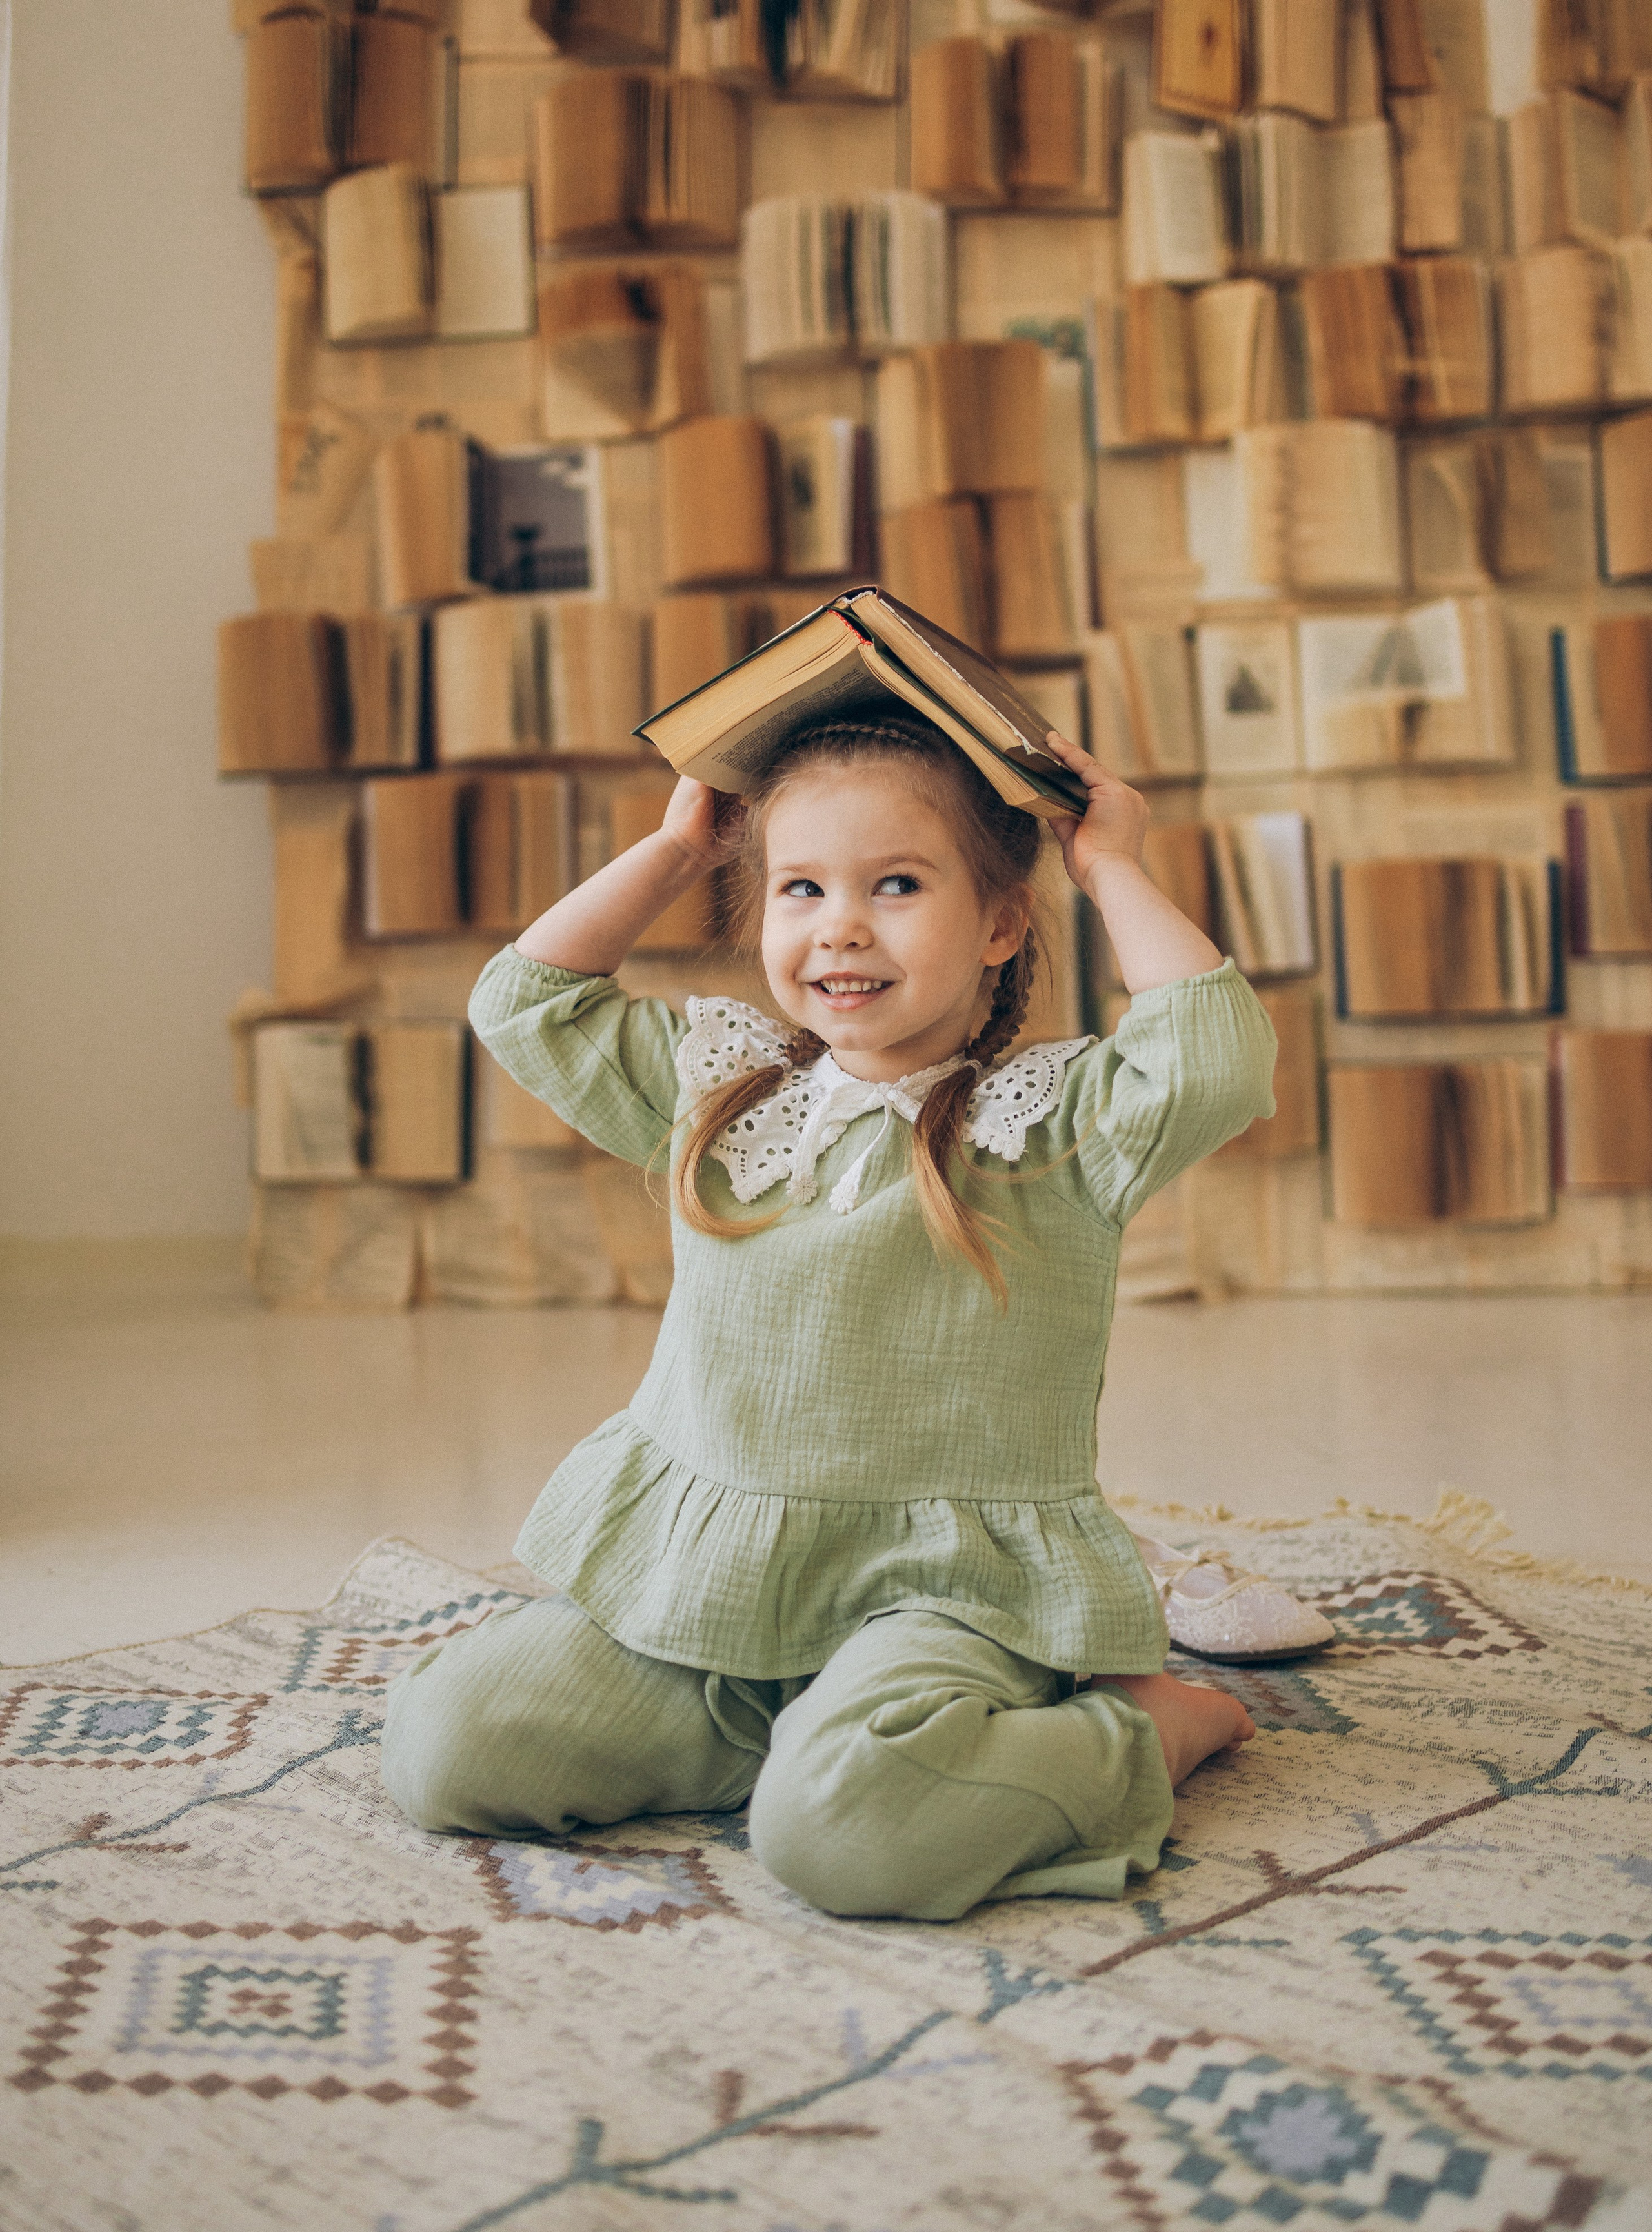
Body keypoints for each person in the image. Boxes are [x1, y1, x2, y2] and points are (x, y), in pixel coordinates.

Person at [380, 713, 1276, 1921]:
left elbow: (1214, 1058)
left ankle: (1144, 1731)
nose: (841, 925)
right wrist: (676, 853)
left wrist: (1108, 861)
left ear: (1000, 925)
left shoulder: (1053, 1129)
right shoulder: (720, 1092)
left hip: (943, 1595)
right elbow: (524, 1003)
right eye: (801, 888)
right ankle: (787, 1736)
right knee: (444, 1747)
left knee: (843, 1838)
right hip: (715, 1582)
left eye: (896, 885)